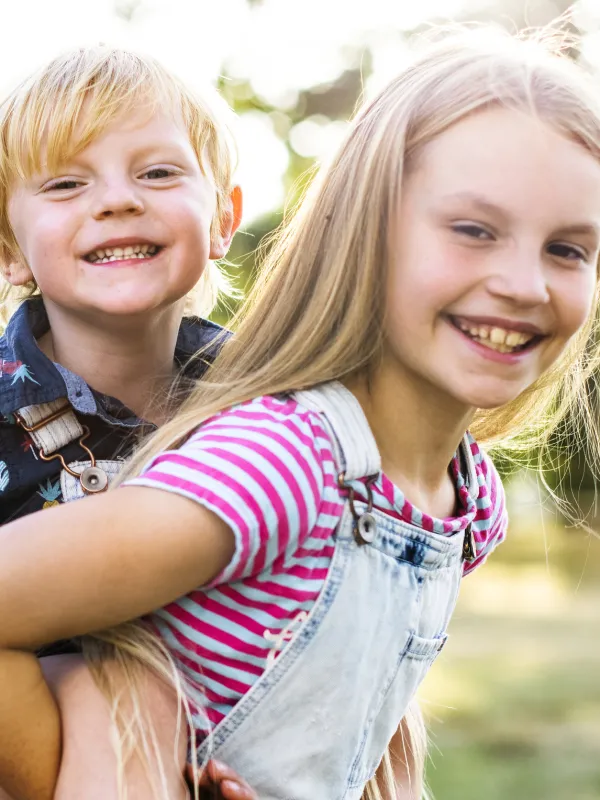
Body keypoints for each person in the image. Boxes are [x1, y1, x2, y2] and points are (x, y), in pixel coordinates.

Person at [3, 20, 600, 800]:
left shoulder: (462, 497)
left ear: (223, 219)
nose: (525, 283)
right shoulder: (276, 459)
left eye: (570, 249)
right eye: (472, 230)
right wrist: (107, 749)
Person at [0, 46, 256, 800]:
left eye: (157, 173)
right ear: (10, 250)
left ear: (223, 220)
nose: (115, 200)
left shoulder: (267, 405)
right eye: (67, 183)